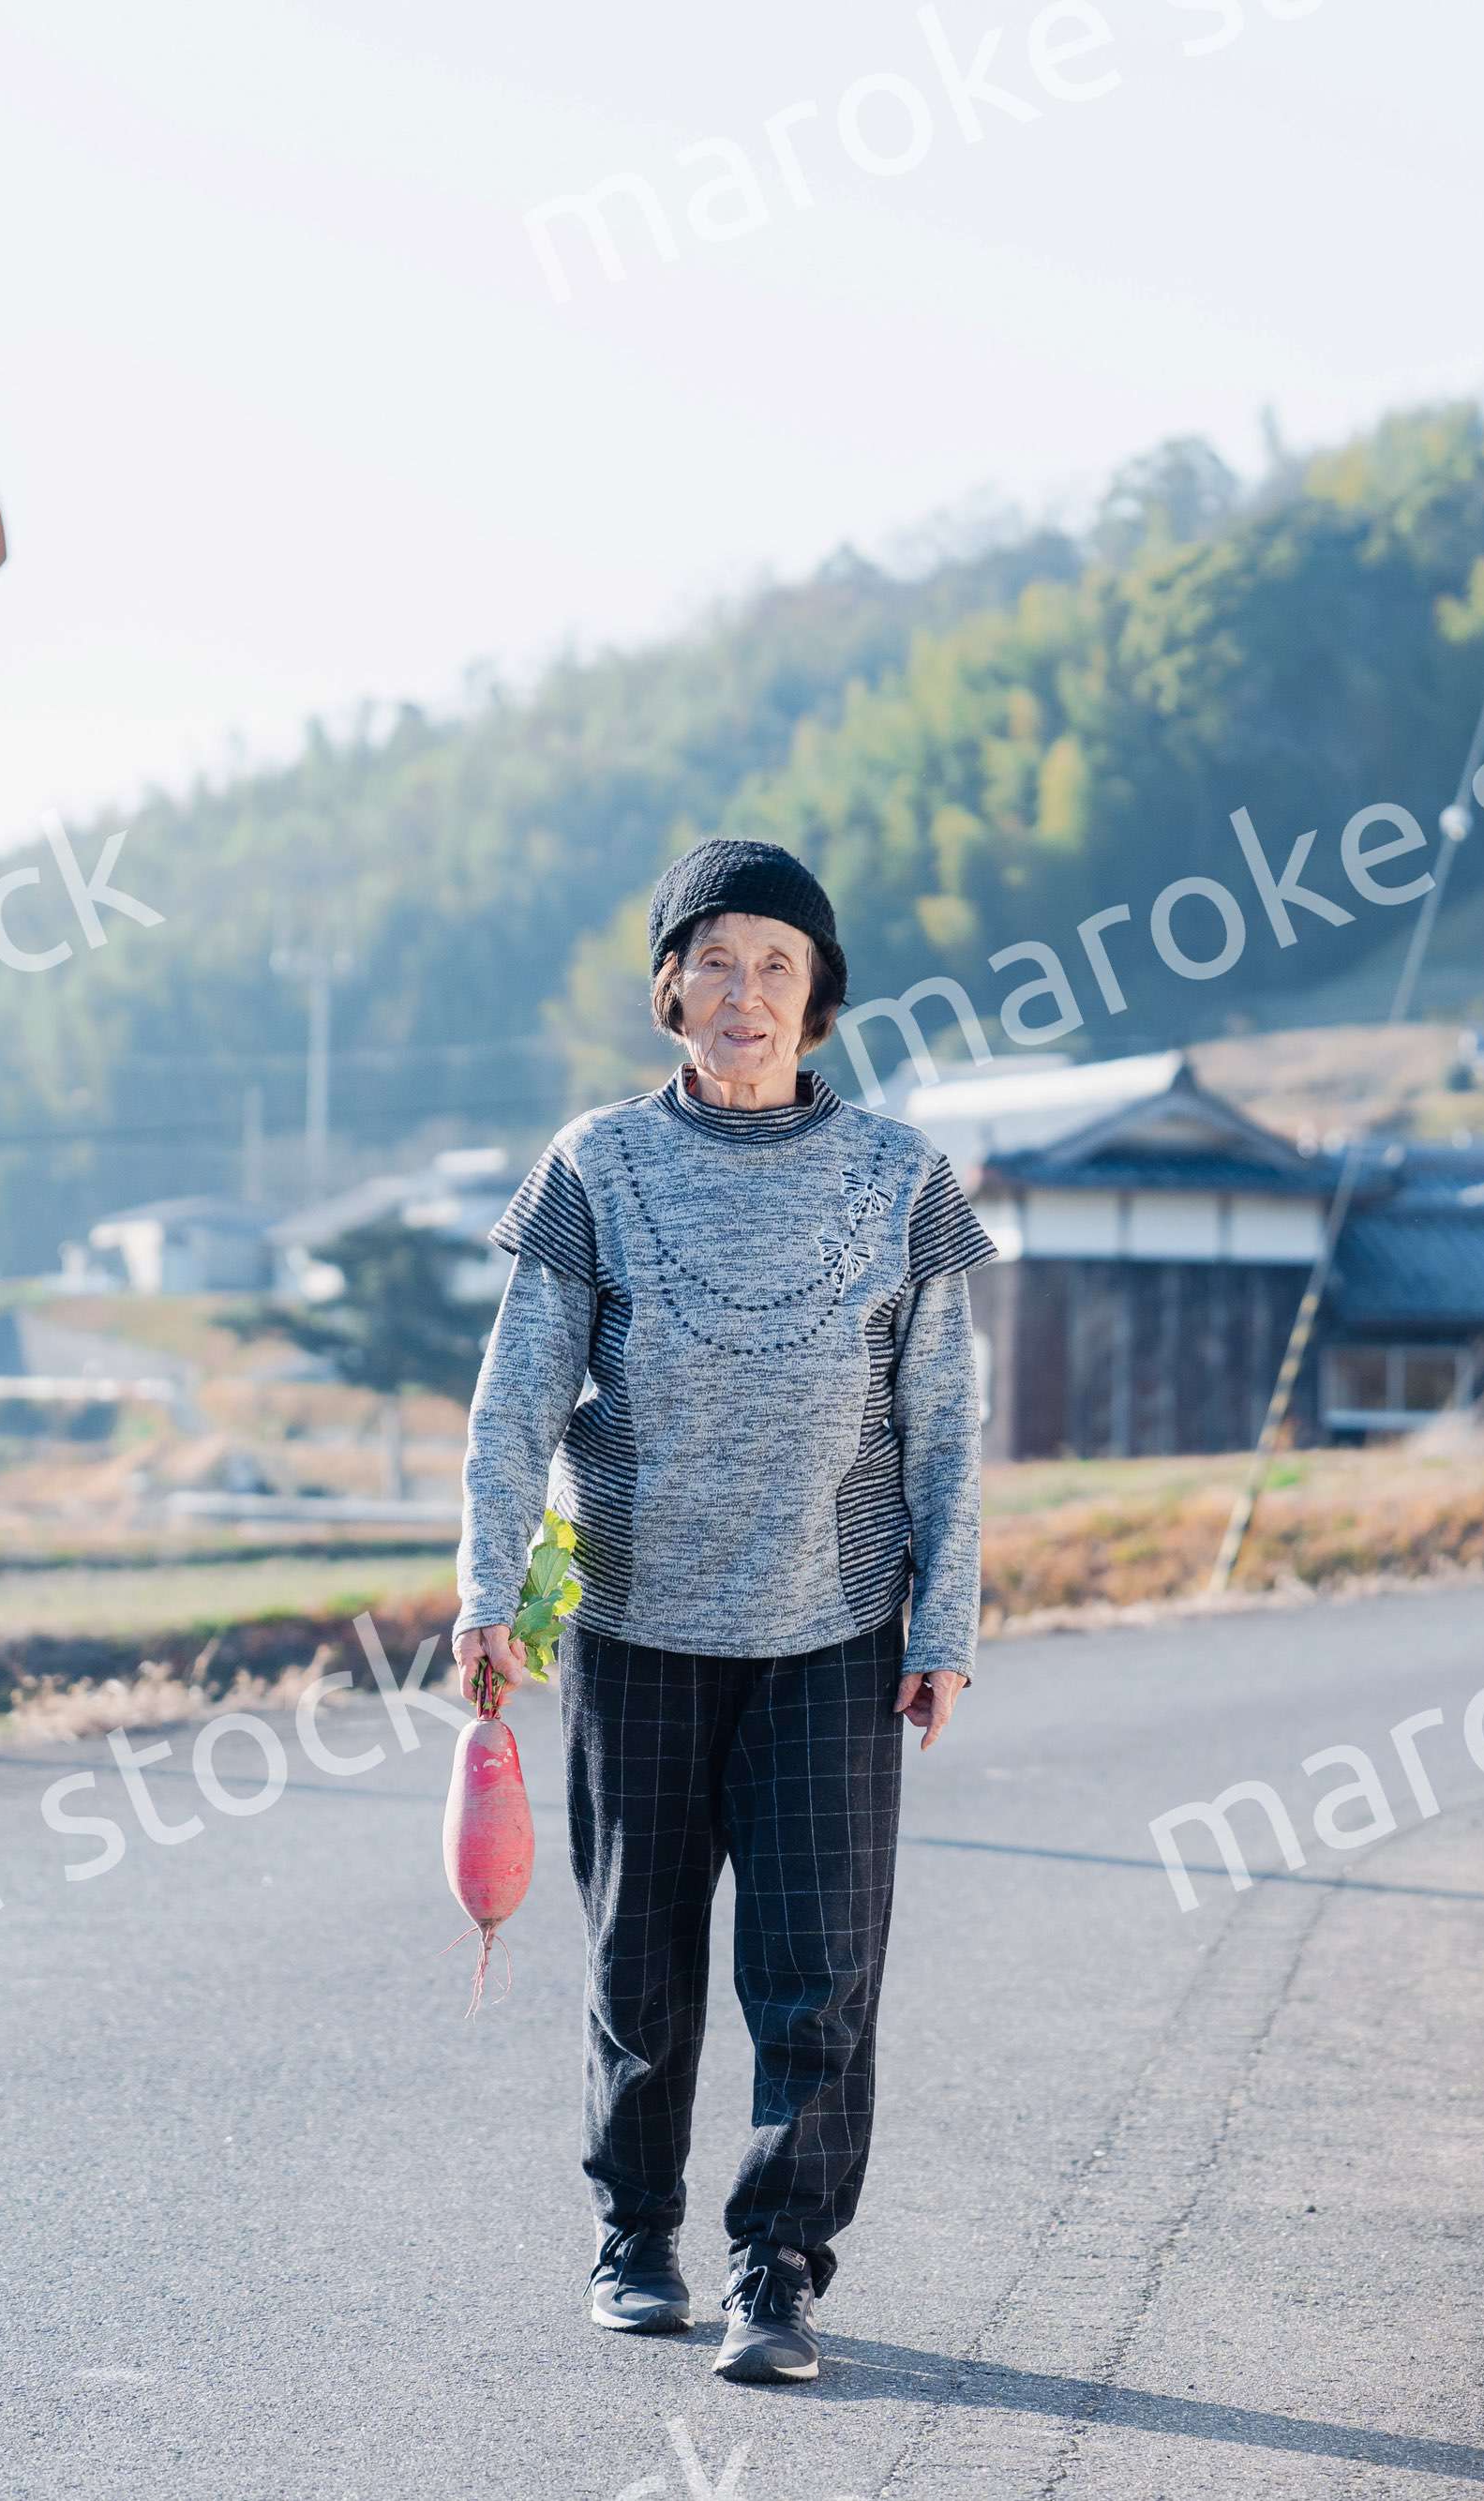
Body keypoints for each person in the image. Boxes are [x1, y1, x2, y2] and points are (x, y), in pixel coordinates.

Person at [454, 836, 994, 2388]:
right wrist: (490, 1590)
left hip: (836, 1632)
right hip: (634, 1624)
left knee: (821, 1968)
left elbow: (946, 1425)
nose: (743, 990)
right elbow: (515, 1406)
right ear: (670, 988)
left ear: (817, 996)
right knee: (639, 1958)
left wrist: (943, 1623)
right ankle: (638, 2235)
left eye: (777, 963)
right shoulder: (596, 1165)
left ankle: (780, 2271)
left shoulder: (904, 1179)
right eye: (716, 960)